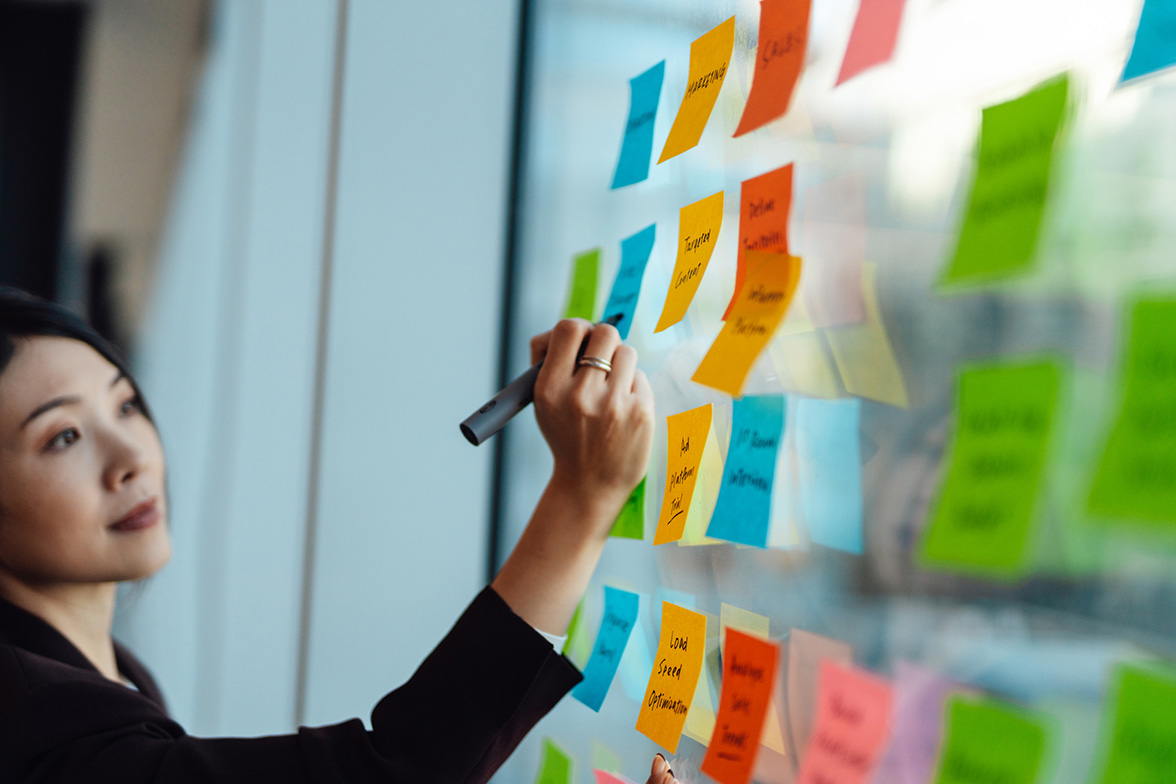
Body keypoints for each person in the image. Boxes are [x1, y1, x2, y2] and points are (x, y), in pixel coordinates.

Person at [0, 287, 678, 784]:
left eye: (125, 403)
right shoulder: (34, 723)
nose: (132, 458)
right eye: (62, 437)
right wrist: (583, 499)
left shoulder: (107, 676)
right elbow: (393, 773)